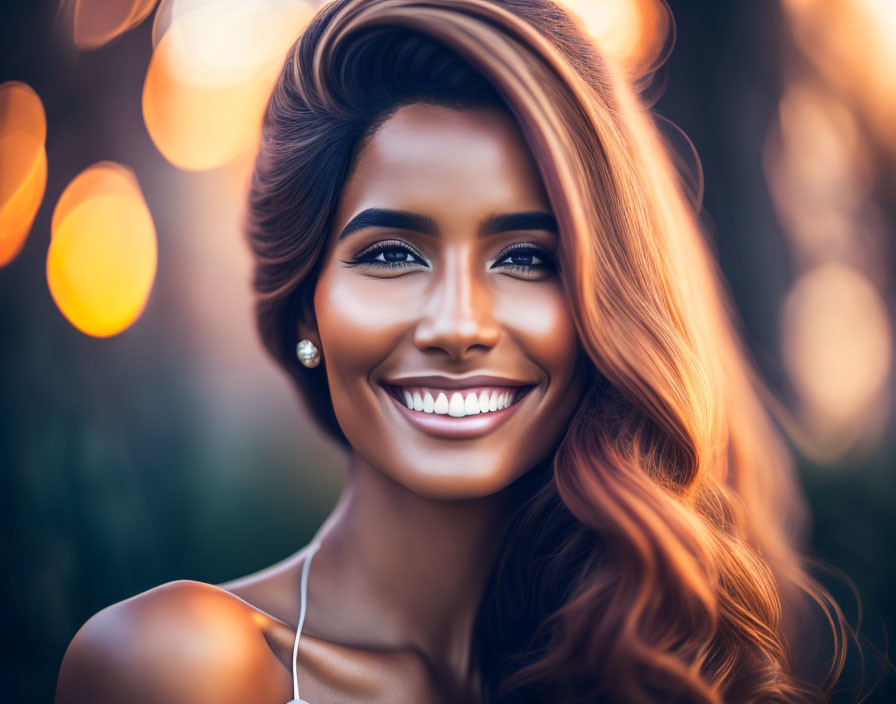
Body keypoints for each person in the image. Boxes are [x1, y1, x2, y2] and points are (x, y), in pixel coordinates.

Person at [55, 0, 851, 702]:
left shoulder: (654, 663)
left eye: (526, 258)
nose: (458, 324)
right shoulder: (183, 664)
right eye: (394, 254)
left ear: (601, 311)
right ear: (306, 307)